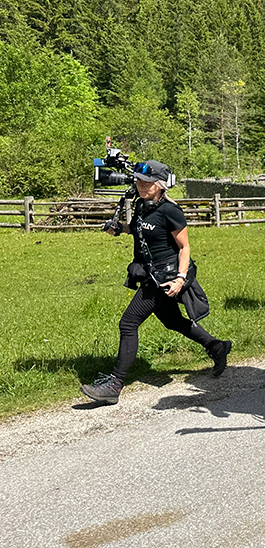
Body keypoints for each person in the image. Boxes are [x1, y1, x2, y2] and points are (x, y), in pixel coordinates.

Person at [81, 161, 231, 405]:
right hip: (150, 274)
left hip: (165, 278)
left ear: (161, 186)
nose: (141, 186)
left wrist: (180, 279)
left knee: (128, 323)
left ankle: (114, 385)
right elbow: (139, 229)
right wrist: (119, 228)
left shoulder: (171, 211)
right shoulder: (142, 206)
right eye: (139, 181)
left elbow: (184, 247)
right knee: (172, 321)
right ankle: (217, 347)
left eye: (147, 183)